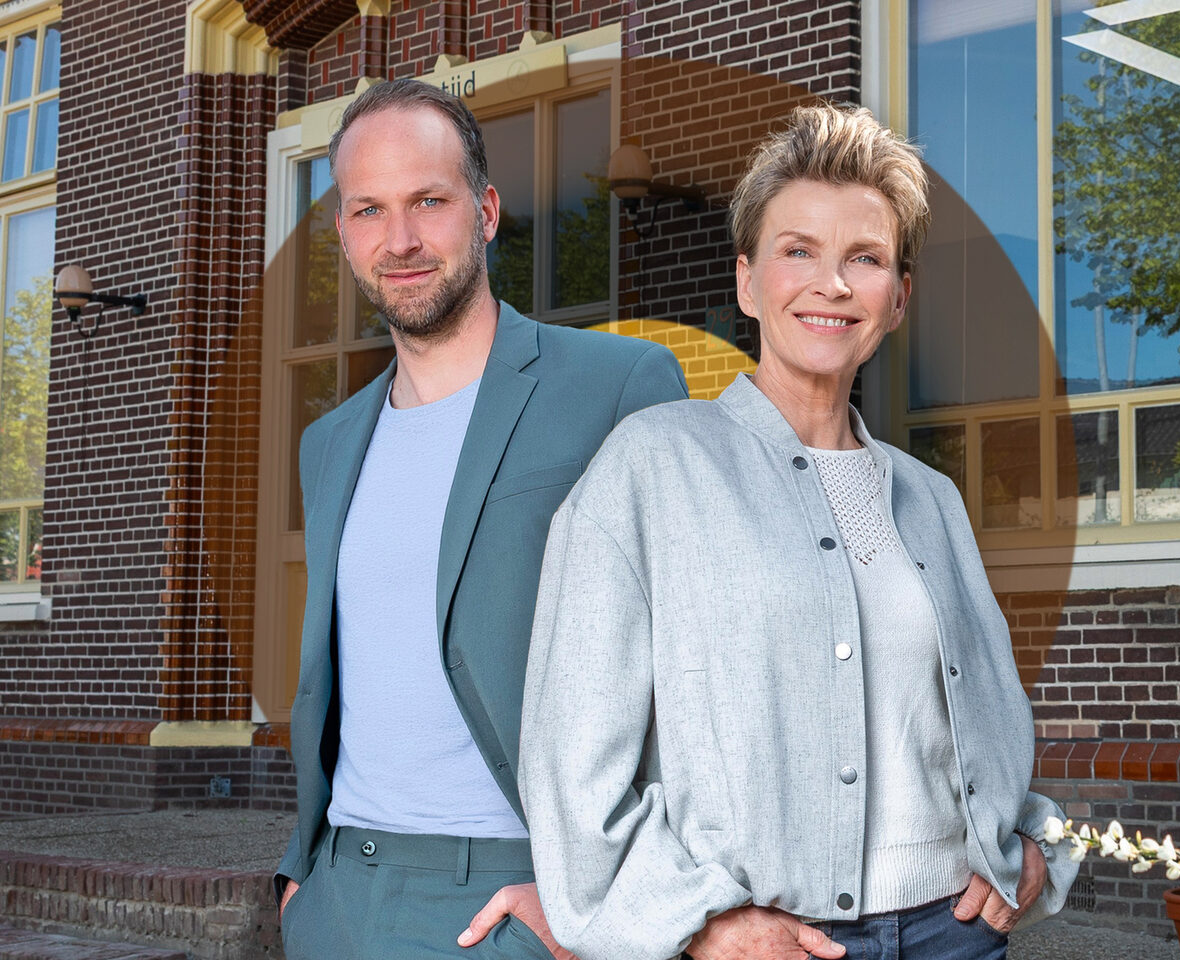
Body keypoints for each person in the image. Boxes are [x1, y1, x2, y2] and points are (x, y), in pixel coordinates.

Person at [519, 103, 1078, 960]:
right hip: (769, 940)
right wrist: (696, 922)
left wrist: (1030, 841)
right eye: (798, 251)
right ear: (748, 283)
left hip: (957, 932)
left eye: (866, 258)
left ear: (898, 298)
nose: (834, 284)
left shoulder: (931, 499)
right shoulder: (652, 467)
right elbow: (570, 760)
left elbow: (981, 716)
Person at [274, 78, 688, 960]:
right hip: (339, 896)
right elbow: (340, 680)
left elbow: (695, 667)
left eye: (429, 201)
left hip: (511, 899)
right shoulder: (328, 443)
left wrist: (608, 893)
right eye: (369, 210)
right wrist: (301, 875)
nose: (401, 239)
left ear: (487, 211)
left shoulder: (619, 386)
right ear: (344, 233)